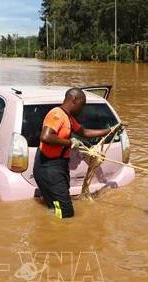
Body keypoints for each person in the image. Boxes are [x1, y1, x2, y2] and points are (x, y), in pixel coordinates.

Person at [33, 87, 114, 219]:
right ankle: (59, 230)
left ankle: (52, 222)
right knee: (66, 212)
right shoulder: (57, 114)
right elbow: (46, 137)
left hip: (58, 166)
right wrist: (70, 143)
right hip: (49, 167)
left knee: (57, 205)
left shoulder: (68, 118)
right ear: (74, 100)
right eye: (82, 105)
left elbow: (84, 132)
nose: (82, 109)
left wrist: (109, 130)